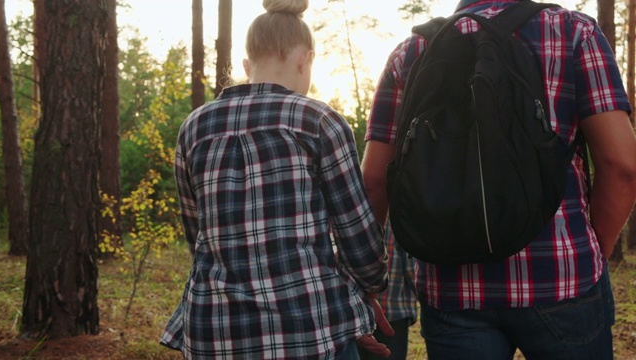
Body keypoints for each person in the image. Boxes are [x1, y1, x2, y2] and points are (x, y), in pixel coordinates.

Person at [361, 0, 636, 359]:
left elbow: (374, 180)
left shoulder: (413, 50)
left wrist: (367, 280)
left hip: (451, 288)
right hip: (561, 278)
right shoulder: (573, 33)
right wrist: (592, 250)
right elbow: (622, 165)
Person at [160, 0, 393, 358]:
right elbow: (357, 237)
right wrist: (370, 287)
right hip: (307, 328)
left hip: (216, 331)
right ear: (305, 59)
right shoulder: (319, 121)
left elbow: (199, 238)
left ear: (247, 64)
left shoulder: (194, 128)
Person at [358, 223, 418, 360]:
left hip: (359, 312)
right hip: (394, 312)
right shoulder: (399, 219)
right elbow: (411, 271)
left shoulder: (355, 218)